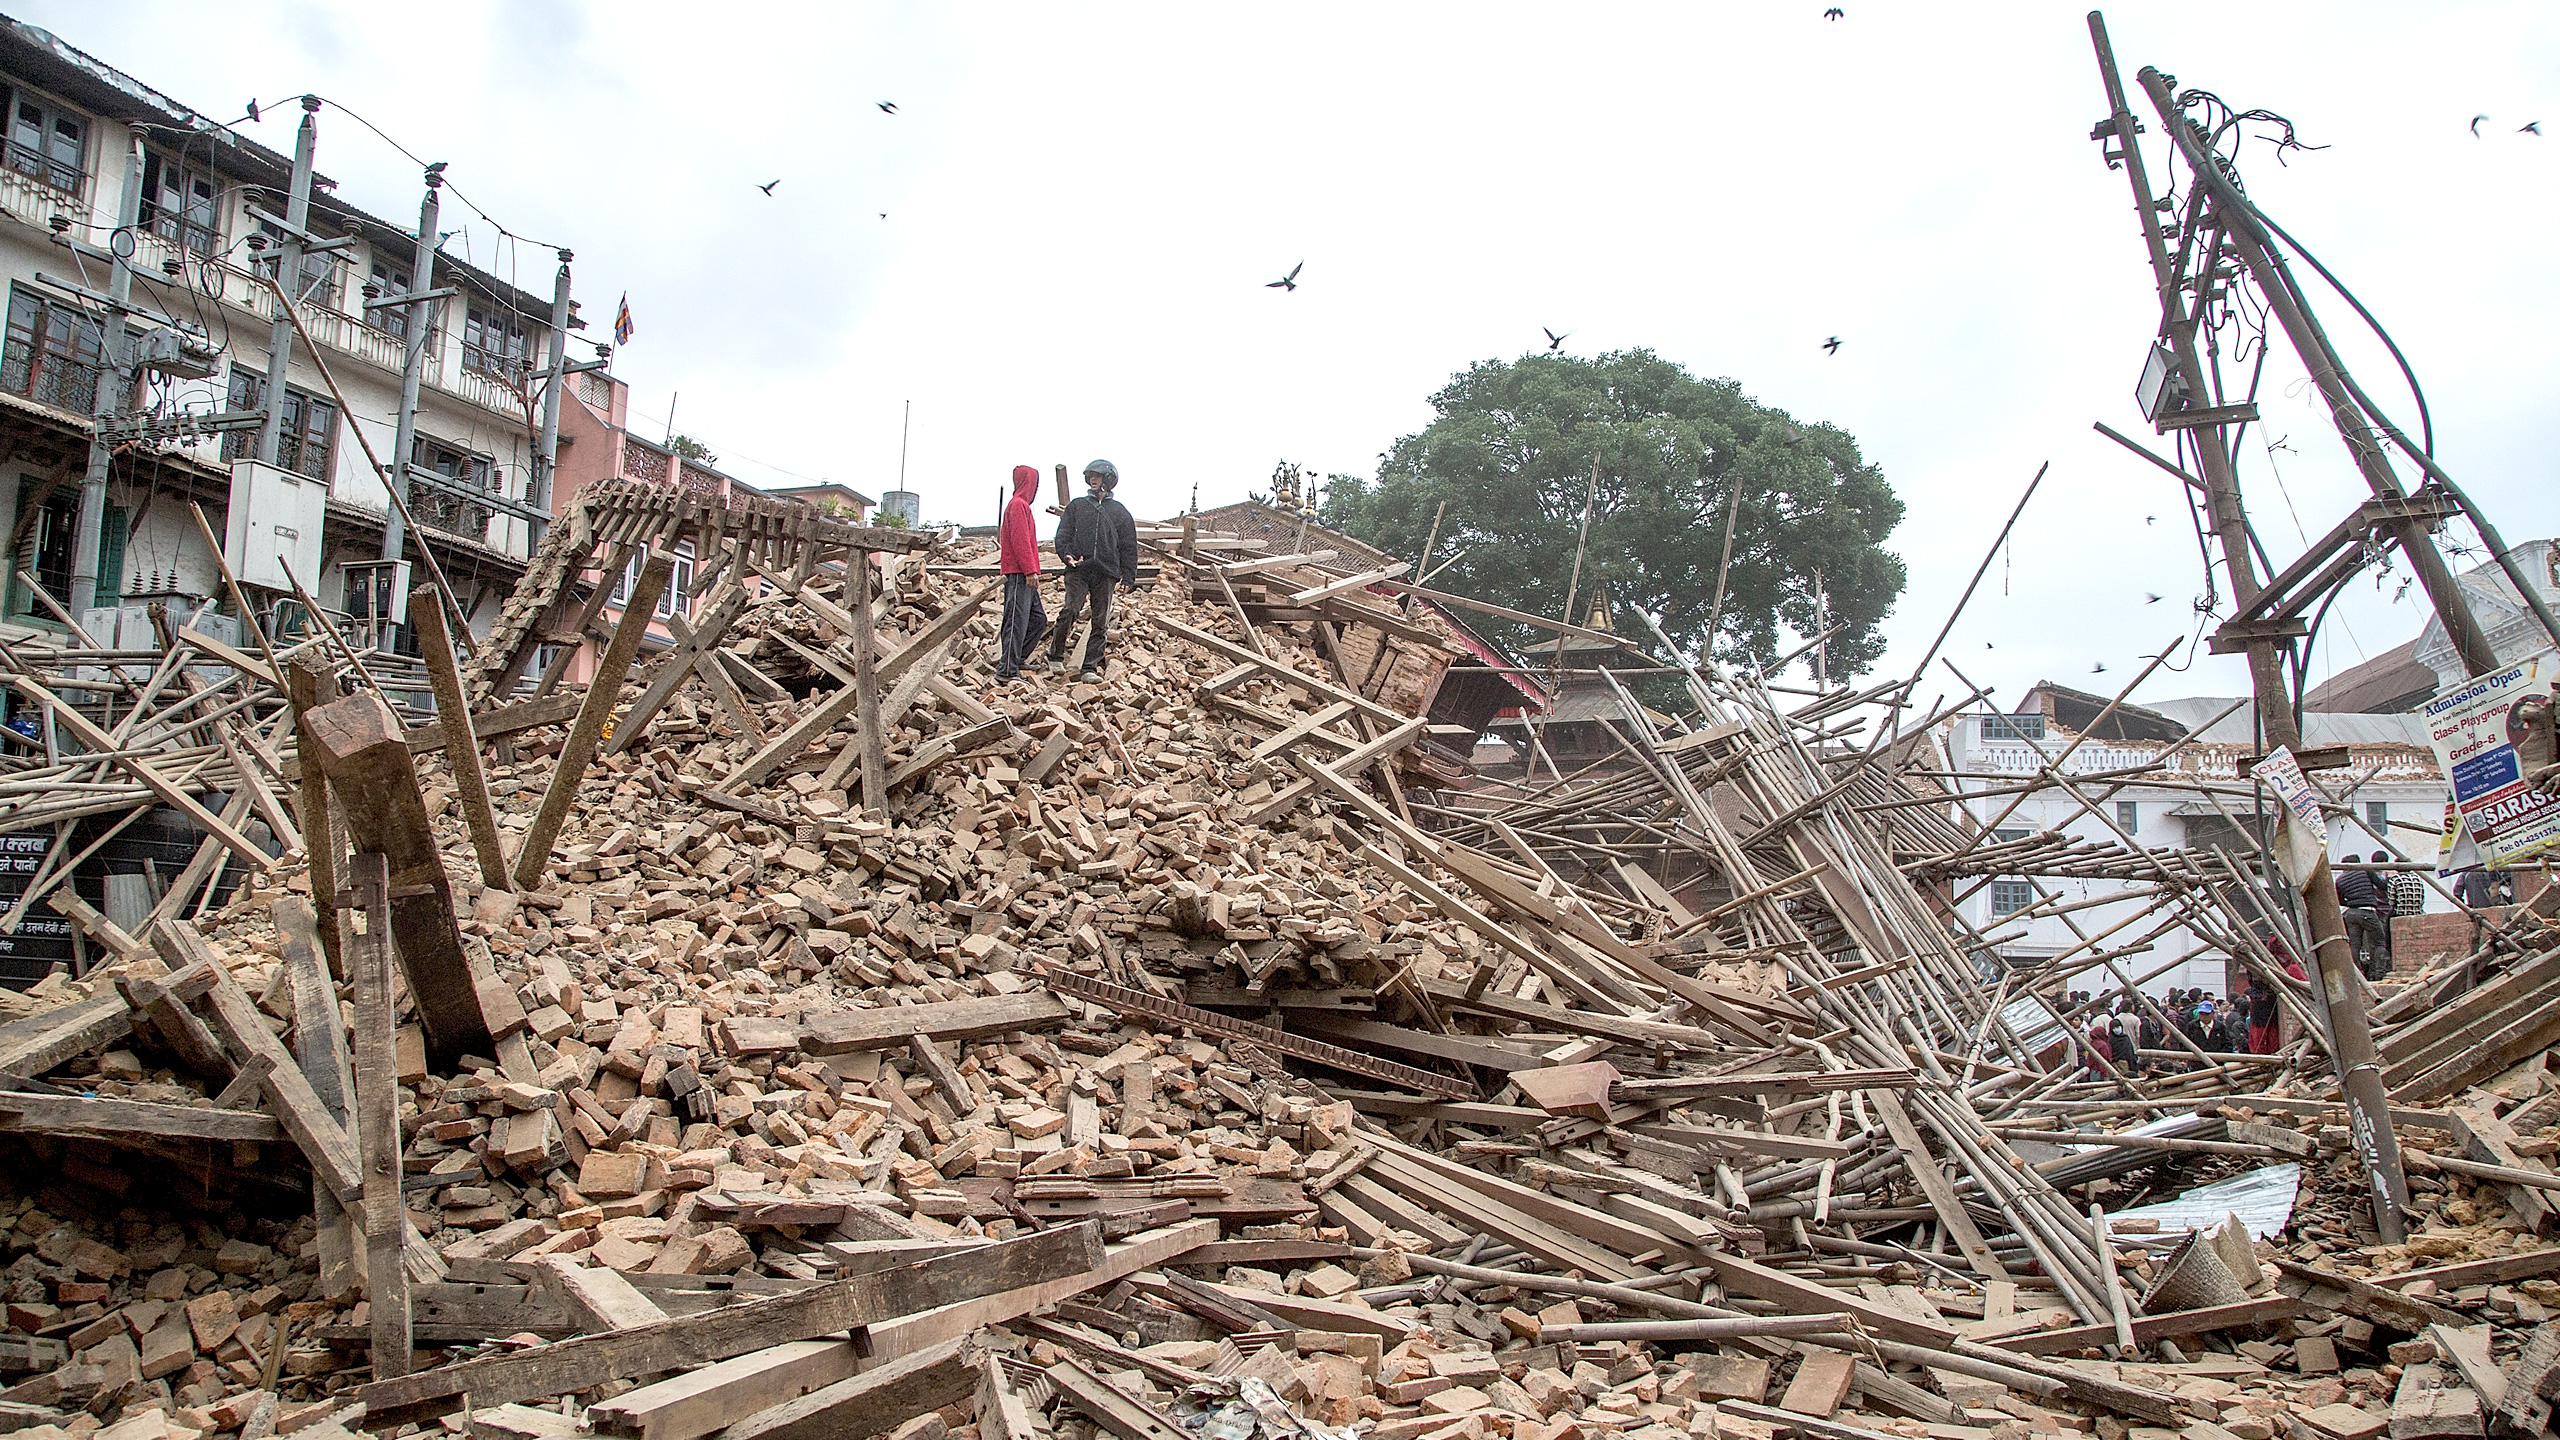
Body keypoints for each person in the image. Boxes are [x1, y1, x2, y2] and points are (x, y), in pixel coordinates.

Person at [1048, 459, 1139, 680]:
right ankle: (1055, 656)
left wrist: (1128, 576)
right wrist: (1066, 555)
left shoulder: (1120, 512)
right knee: (1070, 610)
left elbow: (1128, 546)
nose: (1093, 480)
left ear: (1108, 480)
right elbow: (1063, 535)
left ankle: (1089, 667)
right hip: (1079, 569)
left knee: (1100, 621)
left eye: (1097, 476)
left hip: (1106, 572)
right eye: (1091, 477)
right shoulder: (1077, 506)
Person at [995, 464, 1048, 682]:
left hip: (1024, 573)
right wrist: (1029, 571)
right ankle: (1007, 670)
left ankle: (1017, 659)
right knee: (1016, 620)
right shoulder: (1017, 506)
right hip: (1019, 574)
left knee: (1038, 619)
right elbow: (1020, 541)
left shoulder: (1022, 506)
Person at [2334, 855, 2391, 980]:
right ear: (2358, 863)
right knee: (2379, 943)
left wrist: (2352, 902)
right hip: (2368, 911)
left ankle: (2358, 976)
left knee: (2355, 945)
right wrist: (2389, 876)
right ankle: (2378, 974)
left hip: (2352, 913)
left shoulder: (2339, 880)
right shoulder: (2365, 870)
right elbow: (2382, 885)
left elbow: (2340, 900)